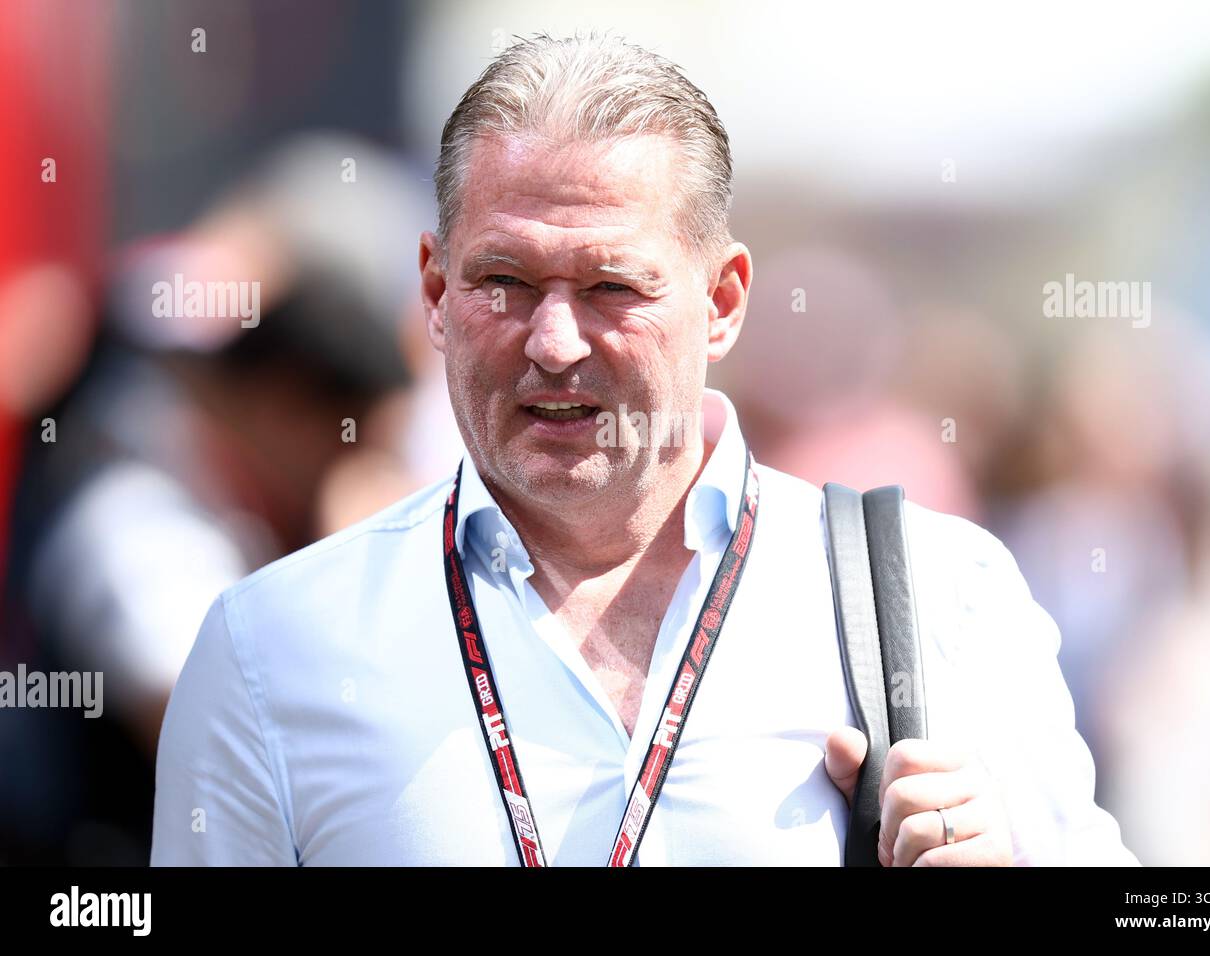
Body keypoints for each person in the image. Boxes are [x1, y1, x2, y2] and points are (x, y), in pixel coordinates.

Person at [151, 31, 1140, 867]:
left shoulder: (936, 595)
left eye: (610, 286)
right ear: (436, 291)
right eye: (504, 279)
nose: (552, 341)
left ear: (721, 301)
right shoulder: (270, 650)